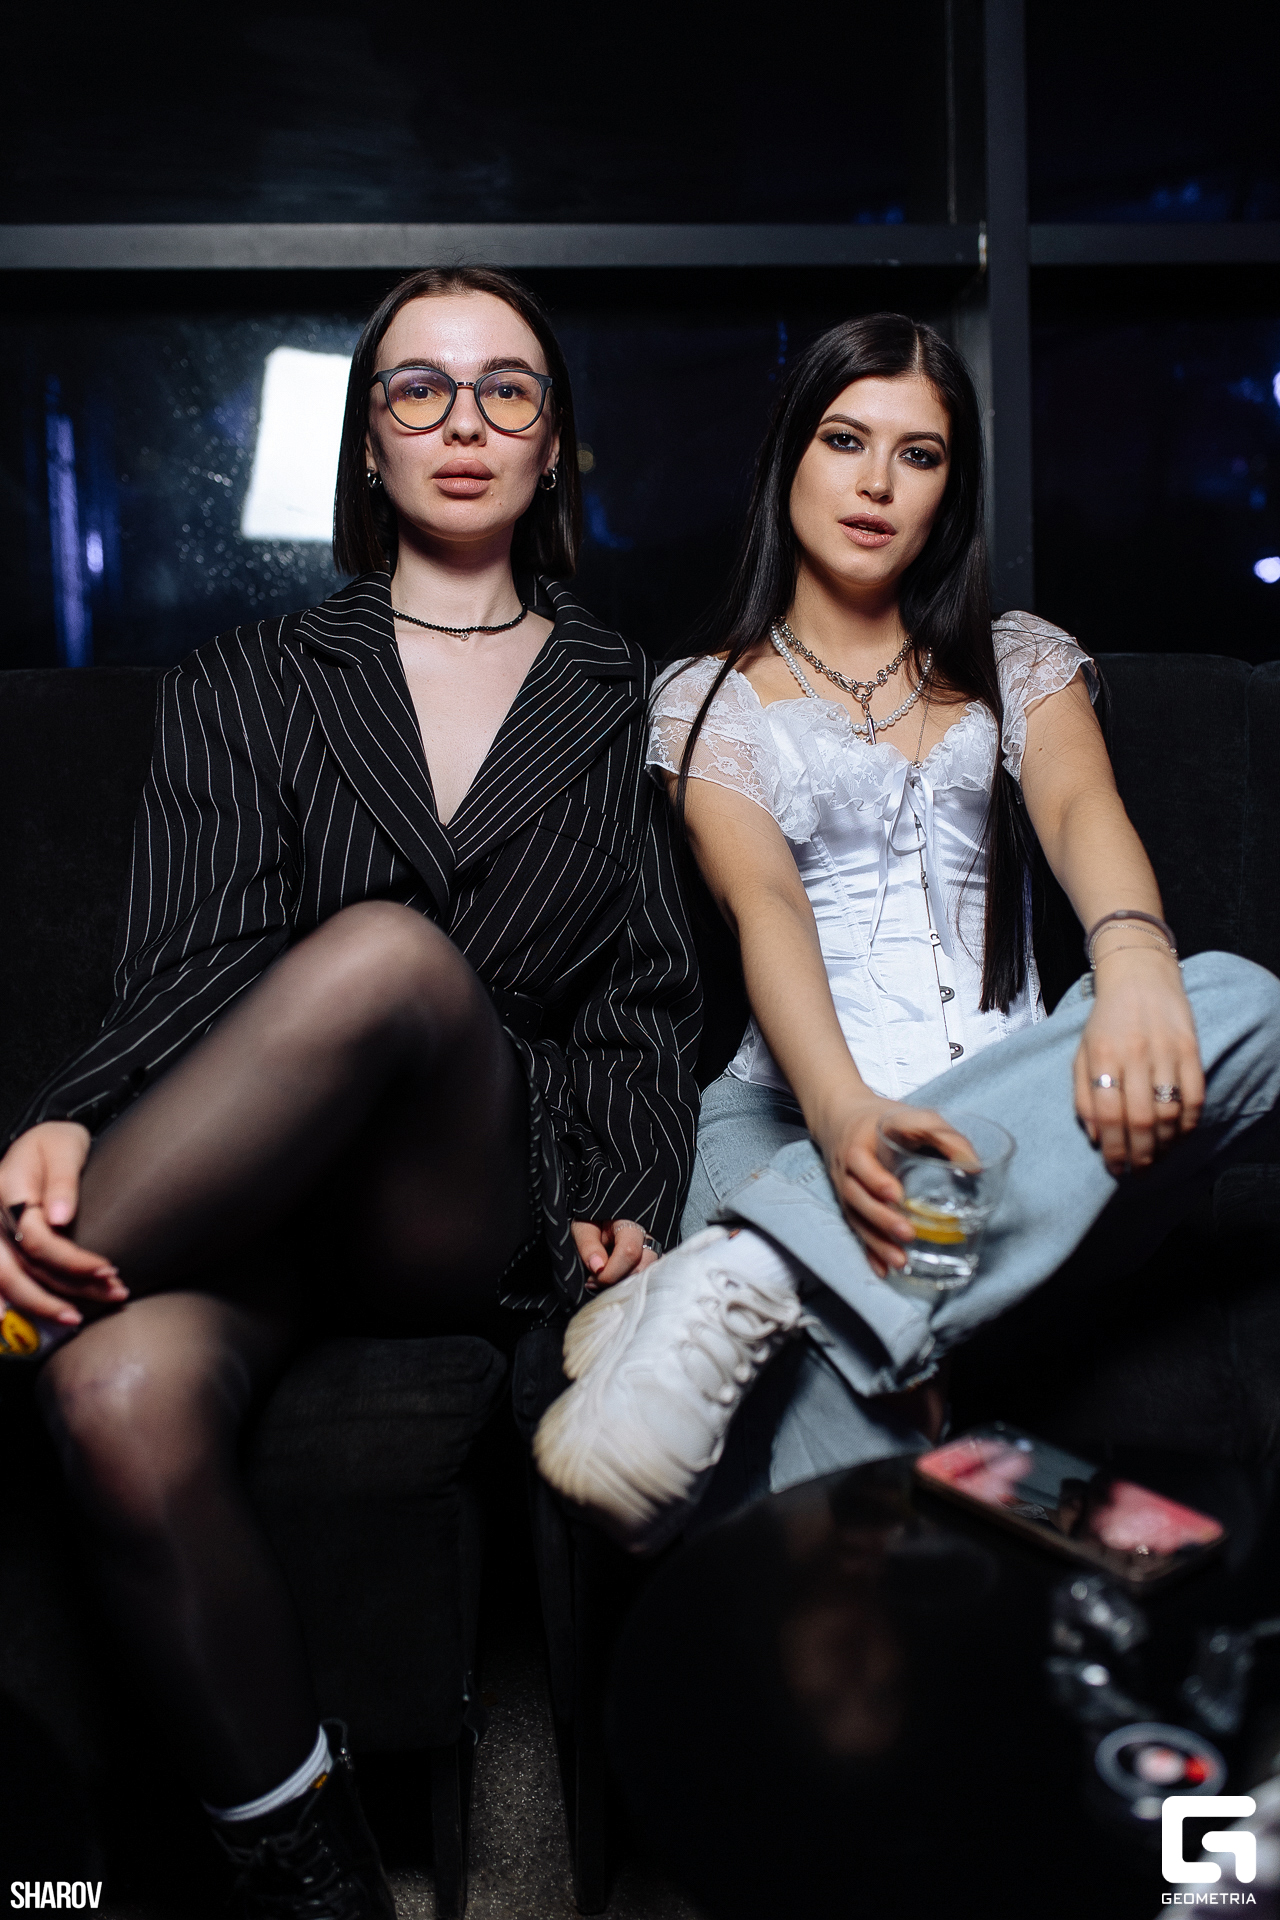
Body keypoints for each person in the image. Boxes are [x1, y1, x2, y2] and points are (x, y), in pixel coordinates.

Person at [0, 266, 700, 1917]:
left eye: (507, 389)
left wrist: (629, 1191)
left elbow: (649, 997)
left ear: (552, 442)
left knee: (390, 954)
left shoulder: (628, 696)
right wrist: (71, 1113)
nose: (464, 423)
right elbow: (184, 963)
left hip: (460, 1195)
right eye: (418, 389)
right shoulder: (245, 676)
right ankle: (307, 1862)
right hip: (244, 1200)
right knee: (111, 1390)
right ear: (367, 440)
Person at [534, 312, 1280, 1552]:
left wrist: (1134, 962)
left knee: (1248, 1005)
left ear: (949, 490)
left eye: (917, 454)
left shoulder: (1017, 659)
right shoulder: (703, 694)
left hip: (1022, 1136)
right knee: (824, 1495)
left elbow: (1079, 807)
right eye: (844, 440)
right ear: (788, 459)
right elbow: (765, 903)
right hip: (789, 1124)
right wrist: (841, 1120)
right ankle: (1039, 1502)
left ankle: (757, 1271)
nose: (876, 482)